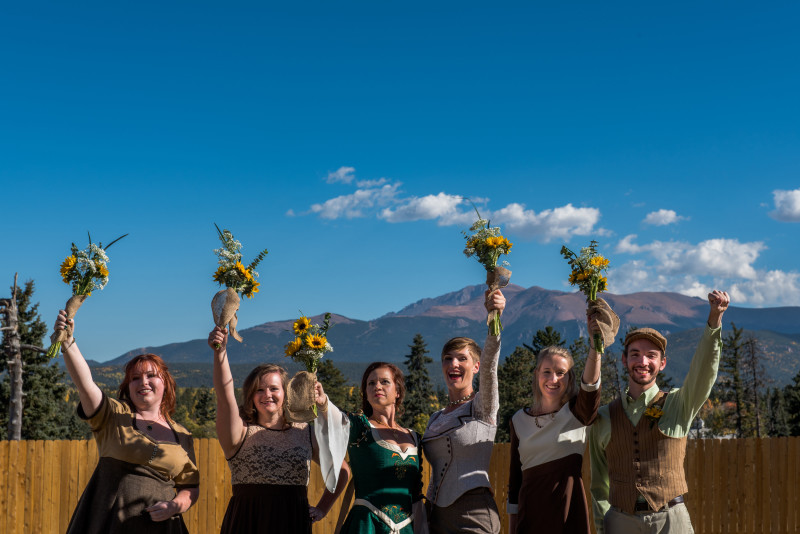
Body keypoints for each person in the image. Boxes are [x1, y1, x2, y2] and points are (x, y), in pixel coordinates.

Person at [589, 290, 730, 534]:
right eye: (635, 354)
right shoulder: (602, 416)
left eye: (651, 355)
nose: (642, 361)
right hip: (619, 523)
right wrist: (603, 527)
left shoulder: (679, 404)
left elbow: (703, 372)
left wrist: (714, 320)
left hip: (670, 521)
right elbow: (599, 484)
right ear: (624, 360)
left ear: (662, 363)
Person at [55, 310, 199, 534]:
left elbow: (190, 488)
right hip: (109, 525)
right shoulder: (113, 416)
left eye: (151, 375)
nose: (143, 382)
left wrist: (173, 506)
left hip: (164, 529)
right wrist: (68, 342)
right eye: (135, 378)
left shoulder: (183, 435)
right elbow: (85, 384)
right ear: (128, 387)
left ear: (166, 382)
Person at [207, 326, 349, 534]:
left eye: (274, 388)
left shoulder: (305, 433)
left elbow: (342, 471)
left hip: (293, 523)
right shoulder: (240, 432)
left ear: (286, 393)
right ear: (251, 396)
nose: (267, 395)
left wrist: (322, 508)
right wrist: (220, 352)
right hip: (247, 523)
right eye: (259, 390)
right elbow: (225, 395)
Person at [507, 307, 606, 534]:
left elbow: (590, 387)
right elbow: (515, 483)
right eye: (547, 371)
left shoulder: (577, 414)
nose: (553, 379)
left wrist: (594, 348)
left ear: (570, 378)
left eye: (561, 373)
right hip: (529, 519)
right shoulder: (518, 420)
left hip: (568, 515)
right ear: (537, 374)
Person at [421, 289, 506, 534]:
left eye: (461, 358)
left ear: (475, 366)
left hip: (473, 511)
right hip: (435, 515)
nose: (453, 364)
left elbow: (491, 366)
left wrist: (495, 320)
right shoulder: (435, 418)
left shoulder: (483, 406)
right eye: (448, 358)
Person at [315, 362, 424, 534]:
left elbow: (416, 494)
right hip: (367, 525)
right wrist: (323, 403)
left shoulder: (415, 437)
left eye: (384, 382)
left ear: (397, 391)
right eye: (371, 383)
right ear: (366, 393)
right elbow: (338, 419)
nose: (377, 386)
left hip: (407, 528)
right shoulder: (360, 427)